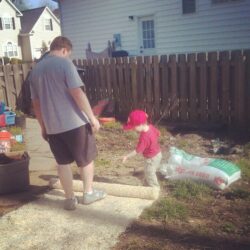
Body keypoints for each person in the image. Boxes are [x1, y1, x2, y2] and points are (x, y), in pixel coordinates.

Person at [29, 36, 106, 210]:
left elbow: (36, 104)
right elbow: (77, 93)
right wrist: (92, 118)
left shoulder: (35, 71)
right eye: (68, 54)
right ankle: (88, 193)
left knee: (62, 163)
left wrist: (43, 127)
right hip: (75, 124)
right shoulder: (64, 64)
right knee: (85, 160)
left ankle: (69, 199)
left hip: (52, 127)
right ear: (64, 50)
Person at [122, 110, 162, 187]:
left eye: (134, 127)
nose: (133, 129)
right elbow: (158, 133)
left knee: (149, 172)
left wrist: (127, 156)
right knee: (150, 171)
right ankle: (148, 183)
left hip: (151, 158)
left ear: (140, 124)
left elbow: (137, 151)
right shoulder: (151, 127)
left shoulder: (144, 137)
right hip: (158, 154)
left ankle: (154, 189)